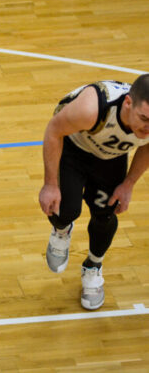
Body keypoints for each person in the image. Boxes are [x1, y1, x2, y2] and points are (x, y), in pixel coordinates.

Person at [39, 75, 149, 310]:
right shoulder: (92, 109)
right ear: (128, 103)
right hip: (73, 149)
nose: (148, 127)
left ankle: (93, 265)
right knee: (64, 209)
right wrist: (50, 184)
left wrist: (129, 183)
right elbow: (53, 131)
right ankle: (62, 230)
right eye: (144, 119)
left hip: (110, 158)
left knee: (106, 213)